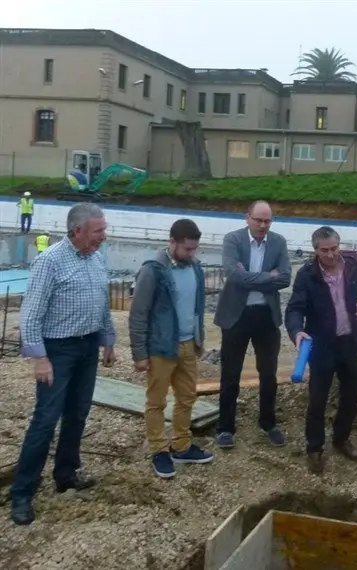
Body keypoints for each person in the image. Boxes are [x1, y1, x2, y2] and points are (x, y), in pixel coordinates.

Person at [10, 203, 116, 526]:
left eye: (104, 229)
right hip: (58, 350)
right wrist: (40, 358)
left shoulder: (97, 259)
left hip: (87, 347)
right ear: (77, 231)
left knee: (78, 413)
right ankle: (22, 493)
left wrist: (108, 339)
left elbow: (103, 301)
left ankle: (66, 474)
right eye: (98, 230)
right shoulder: (50, 261)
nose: (103, 236)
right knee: (45, 419)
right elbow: (30, 314)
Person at [129, 219, 214, 479]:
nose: (192, 254)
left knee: (187, 397)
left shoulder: (195, 268)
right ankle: (159, 450)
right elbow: (139, 313)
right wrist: (140, 354)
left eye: (195, 249)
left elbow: (197, 307)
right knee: (156, 401)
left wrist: (199, 338)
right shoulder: (153, 270)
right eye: (187, 249)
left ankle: (181, 445)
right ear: (172, 242)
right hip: (160, 347)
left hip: (189, 344)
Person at [285, 226, 357, 474]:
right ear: (315, 250)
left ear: (339, 245)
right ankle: (315, 448)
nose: (331, 255)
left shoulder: (352, 265)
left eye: (334, 248)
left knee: (350, 397)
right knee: (318, 400)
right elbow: (294, 308)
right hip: (322, 346)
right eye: (325, 251)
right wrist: (296, 330)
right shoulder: (306, 275)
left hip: (350, 342)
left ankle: (341, 439)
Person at [213, 201, 291, 449]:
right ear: (247, 217)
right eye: (258, 220)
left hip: (266, 316)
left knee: (268, 374)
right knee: (230, 374)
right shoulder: (233, 240)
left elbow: (286, 278)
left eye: (267, 221)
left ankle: (268, 423)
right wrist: (270, 277)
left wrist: (250, 278)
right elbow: (233, 275)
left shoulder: (278, 242)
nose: (262, 225)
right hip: (236, 315)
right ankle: (225, 427)